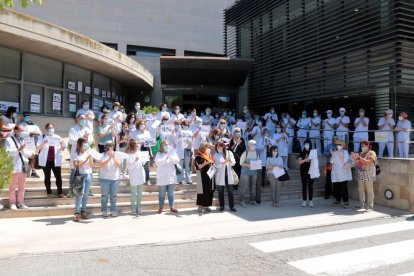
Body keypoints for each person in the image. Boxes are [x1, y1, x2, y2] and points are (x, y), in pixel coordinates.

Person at [5, 125, 32, 210]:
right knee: (12, 186)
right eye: (21, 130)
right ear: (16, 130)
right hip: (14, 166)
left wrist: (31, 154)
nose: (23, 132)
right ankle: (12, 203)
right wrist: (18, 150)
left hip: (23, 166)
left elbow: (25, 153)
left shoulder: (23, 140)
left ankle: (20, 203)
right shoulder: (9, 140)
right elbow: (8, 152)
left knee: (22, 187)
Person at [37, 123, 66, 198]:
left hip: (55, 160)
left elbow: (62, 148)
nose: (51, 129)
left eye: (52, 128)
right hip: (46, 160)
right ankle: (48, 192)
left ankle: (60, 192)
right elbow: (38, 148)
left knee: (58, 177)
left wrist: (62, 146)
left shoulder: (57, 137)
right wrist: (44, 143)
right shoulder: (42, 137)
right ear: (46, 129)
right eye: (49, 128)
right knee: (47, 176)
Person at [72, 138, 94, 222]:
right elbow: (76, 166)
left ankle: (83, 211)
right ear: (80, 144)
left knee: (86, 194)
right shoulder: (75, 153)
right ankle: (77, 213)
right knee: (79, 194)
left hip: (89, 174)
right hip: (80, 175)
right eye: (85, 143)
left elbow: (92, 165)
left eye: (87, 143)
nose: (86, 144)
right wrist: (85, 160)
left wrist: (90, 158)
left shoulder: (88, 152)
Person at [155, 140, 180, 214]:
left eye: (167, 144)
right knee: (162, 194)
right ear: (161, 146)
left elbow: (177, 161)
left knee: (171, 193)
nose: (166, 146)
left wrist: (171, 157)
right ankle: (161, 207)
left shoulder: (172, 152)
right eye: (164, 144)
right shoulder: (159, 154)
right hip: (162, 177)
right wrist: (165, 158)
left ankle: (172, 207)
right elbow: (158, 163)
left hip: (171, 176)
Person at [351, 141, 377, 212]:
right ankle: (361, 205)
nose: (363, 147)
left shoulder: (372, 153)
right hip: (361, 174)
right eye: (361, 146)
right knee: (361, 190)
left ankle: (370, 206)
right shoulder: (362, 153)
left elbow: (369, 162)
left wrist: (359, 158)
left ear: (368, 145)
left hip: (369, 174)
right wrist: (355, 158)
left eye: (364, 146)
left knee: (369, 191)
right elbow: (359, 163)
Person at [99, 141, 122, 217]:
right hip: (104, 178)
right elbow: (102, 165)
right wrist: (109, 158)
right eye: (108, 145)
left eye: (111, 145)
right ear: (105, 147)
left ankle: (113, 210)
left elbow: (118, 165)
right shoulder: (102, 155)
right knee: (104, 196)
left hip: (114, 179)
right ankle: (104, 210)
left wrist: (113, 157)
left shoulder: (117, 155)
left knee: (113, 196)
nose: (110, 147)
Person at [213, 141, 237, 212]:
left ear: (223, 146)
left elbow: (233, 163)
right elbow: (216, 165)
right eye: (217, 148)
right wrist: (224, 162)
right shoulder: (216, 155)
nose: (218, 149)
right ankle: (222, 206)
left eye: (220, 147)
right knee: (220, 192)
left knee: (230, 192)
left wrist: (228, 161)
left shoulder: (229, 153)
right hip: (220, 176)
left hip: (228, 175)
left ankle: (232, 207)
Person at [125, 138, 146, 216]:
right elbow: (129, 166)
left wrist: (144, 159)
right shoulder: (129, 154)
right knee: (134, 192)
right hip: (133, 174)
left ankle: (139, 207)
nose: (138, 144)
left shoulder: (140, 152)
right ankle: (133, 208)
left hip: (140, 174)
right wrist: (135, 160)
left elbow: (142, 162)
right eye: (137, 143)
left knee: (140, 192)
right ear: (133, 145)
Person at [20, 111, 42, 178]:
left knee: (33, 157)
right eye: (25, 115)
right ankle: (22, 172)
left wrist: (32, 133)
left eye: (28, 115)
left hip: (33, 144)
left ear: (30, 116)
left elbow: (39, 133)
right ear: (23, 116)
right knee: (23, 157)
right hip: (24, 144)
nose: (27, 117)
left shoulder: (35, 125)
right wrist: (30, 133)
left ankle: (33, 171)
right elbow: (21, 134)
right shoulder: (21, 124)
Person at [331, 140, 352, 208]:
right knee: (337, 187)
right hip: (336, 172)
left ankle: (346, 201)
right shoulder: (334, 152)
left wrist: (339, 153)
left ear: (343, 145)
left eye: (340, 144)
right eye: (337, 145)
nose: (338, 146)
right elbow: (331, 161)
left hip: (343, 173)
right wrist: (332, 154)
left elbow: (345, 160)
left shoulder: (345, 152)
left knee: (344, 188)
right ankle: (338, 200)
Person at [195, 142, 215, 213]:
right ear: (204, 147)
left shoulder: (209, 155)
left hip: (209, 176)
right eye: (207, 147)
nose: (209, 149)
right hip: (202, 177)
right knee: (202, 191)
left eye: (209, 148)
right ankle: (200, 207)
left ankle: (206, 206)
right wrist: (204, 163)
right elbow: (198, 166)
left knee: (209, 191)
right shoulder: (199, 156)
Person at [239, 140, 259, 207]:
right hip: (245, 172)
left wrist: (259, 164)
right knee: (244, 187)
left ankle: (253, 200)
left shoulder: (256, 152)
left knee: (253, 187)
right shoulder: (245, 153)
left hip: (254, 172)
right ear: (249, 145)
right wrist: (247, 165)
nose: (254, 146)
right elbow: (241, 163)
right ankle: (242, 201)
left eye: (255, 144)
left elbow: (258, 161)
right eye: (253, 144)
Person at [132, 119, 152, 185]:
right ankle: (140, 180)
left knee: (146, 166)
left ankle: (147, 179)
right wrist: (139, 142)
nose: (142, 125)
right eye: (141, 124)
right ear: (138, 125)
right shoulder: (135, 132)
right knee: (138, 166)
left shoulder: (147, 132)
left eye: (143, 124)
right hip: (138, 150)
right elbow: (132, 142)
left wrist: (150, 152)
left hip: (146, 150)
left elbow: (150, 142)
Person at [176, 120, 193, 184]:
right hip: (180, 150)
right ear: (182, 125)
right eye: (184, 125)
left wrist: (190, 140)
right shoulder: (179, 131)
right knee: (180, 165)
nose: (186, 126)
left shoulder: (190, 132)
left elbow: (192, 141)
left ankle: (188, 180)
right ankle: (180, 180)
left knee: (187, 166)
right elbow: (176, 141)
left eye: (187, 125)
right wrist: (180, 137)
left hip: (187, 149)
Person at [298, 139, 314, 207]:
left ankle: (310, 200)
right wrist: (305, 160)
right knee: (304, 185)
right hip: (303, 170)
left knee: (310, 186)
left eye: (308, 144)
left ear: (310, 145)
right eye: (305, 144)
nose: (306, 145)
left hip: (311, 171)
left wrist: (311, 160)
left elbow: (315, 161)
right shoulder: (302, 152)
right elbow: (299, 162)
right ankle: (304, 200)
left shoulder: (313, 152)